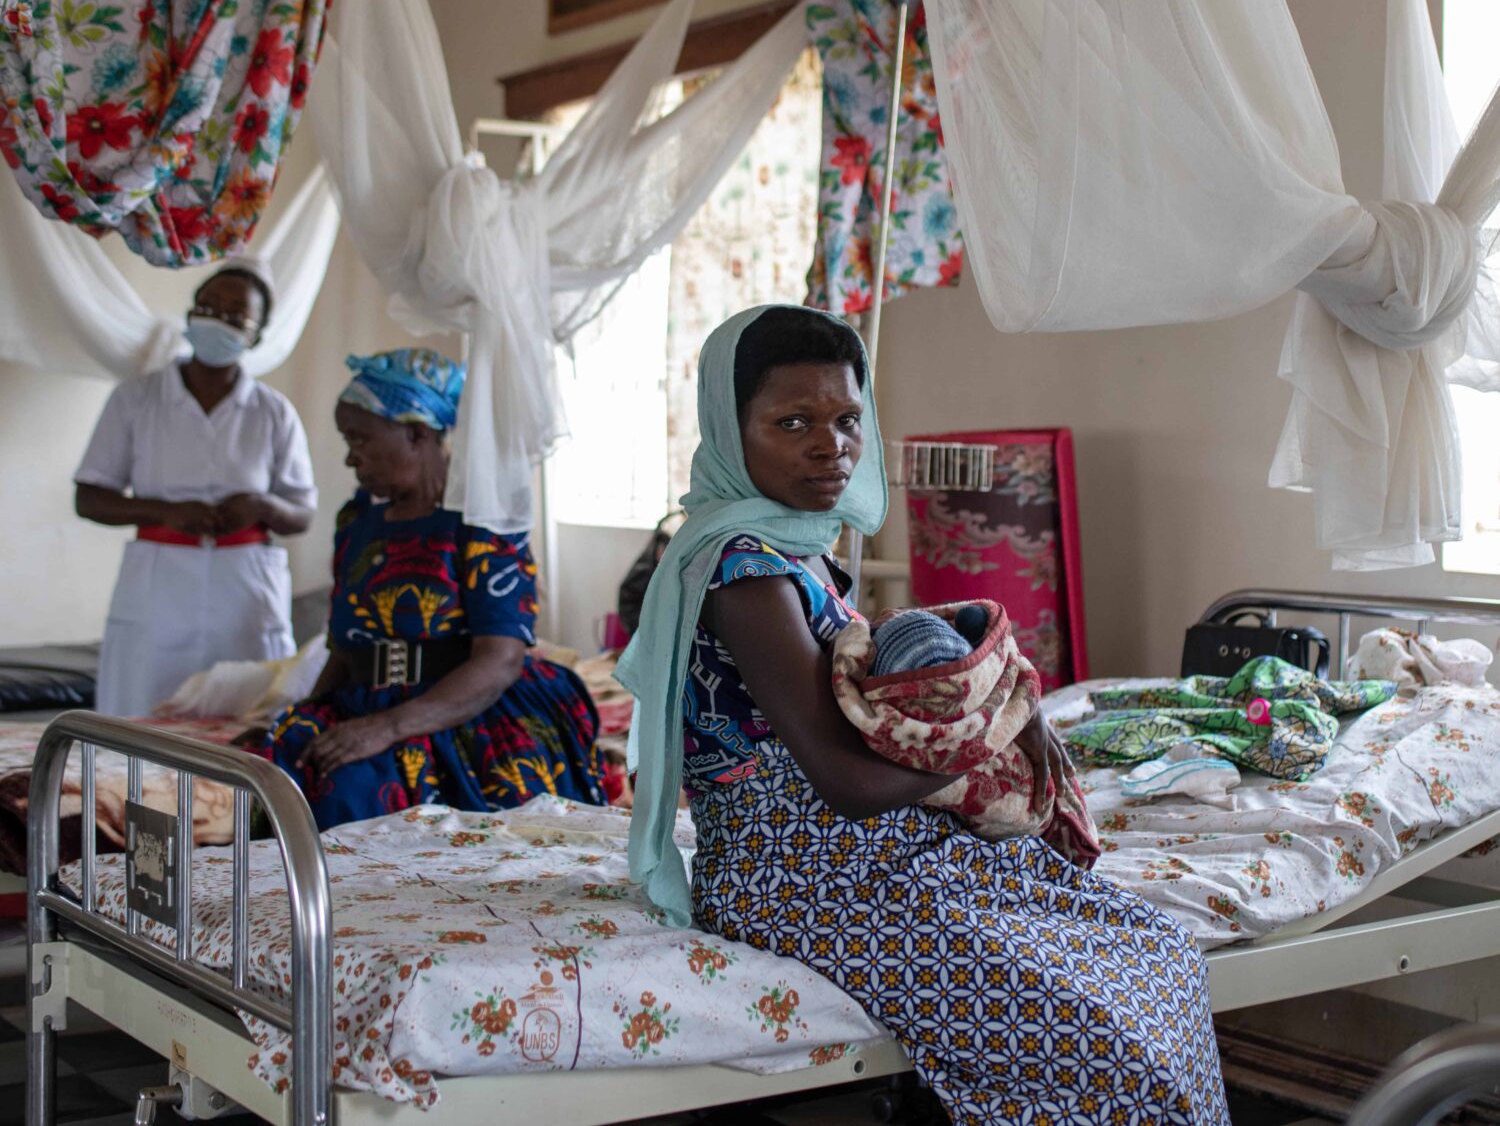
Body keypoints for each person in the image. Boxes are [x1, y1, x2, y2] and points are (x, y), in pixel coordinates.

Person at [619, 305, 1229, 1125]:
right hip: (803, 877)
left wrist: (985, 712)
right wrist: (992, 733)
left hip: (875, 857)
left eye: (846, 420)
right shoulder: (743, 573)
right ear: (730, 432)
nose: (829, 445)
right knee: (1105, 1037)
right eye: (792, 422)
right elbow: (845, 784)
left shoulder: (795, 549)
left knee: (1157, 954)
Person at [258, 349, 606, 829]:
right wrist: (311, 712)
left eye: (359, 438)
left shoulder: (484, 522)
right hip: (366, 701)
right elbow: (345, 644)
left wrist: (387, 727)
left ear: (418, 433)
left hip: (463, 710)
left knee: (368, 801)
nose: (349, 455)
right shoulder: (357, 521)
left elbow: (499, 659)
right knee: (286, 771)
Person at [75, 259, 316, 718]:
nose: (217, 321)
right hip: (158, 586)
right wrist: (165, 512)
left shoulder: (273, 412)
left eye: (234, 316)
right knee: (141, 719)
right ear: (190, 314)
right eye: (209, 307)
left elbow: (302, 512)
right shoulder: (136, 398)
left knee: (247, 717)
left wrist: (261, 504)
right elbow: (89, 497)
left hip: (245, 587)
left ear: (257, 336)